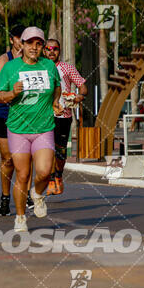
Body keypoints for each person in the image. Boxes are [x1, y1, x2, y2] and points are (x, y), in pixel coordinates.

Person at [0, 26, 62, 232]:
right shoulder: (11, 68)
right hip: (18, 129)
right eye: (30, 42)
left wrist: (55, 102)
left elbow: (57, 86)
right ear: (22, 45)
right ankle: (20, 217)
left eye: (38, 43)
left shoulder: (49, 66)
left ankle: (38, 194)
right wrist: (12, 94)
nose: (34, 47)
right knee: (22, 175)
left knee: (43, 173)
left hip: (43, 127)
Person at [0, 24, 34, 215]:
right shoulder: (4, 59)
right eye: (18, 38)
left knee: (26, 157)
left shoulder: (34, 60)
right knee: (8, 159)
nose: (21, 41)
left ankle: (25, 194)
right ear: (12, 40)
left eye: (24, 38)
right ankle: (5, 197)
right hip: (5, 113)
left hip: (27, 113)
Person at [43, 39, 87, 195]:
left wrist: (79, 96)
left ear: (59, 51)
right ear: (43, 51)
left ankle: (59, 176)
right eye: (48, 49)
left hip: (64, 115)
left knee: (60, 152)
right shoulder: (39, 68)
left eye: (55, 49)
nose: (51, 51)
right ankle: (50, 181)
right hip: (43, 116)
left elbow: (82, 86)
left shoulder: (67, 68)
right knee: (46, 150)